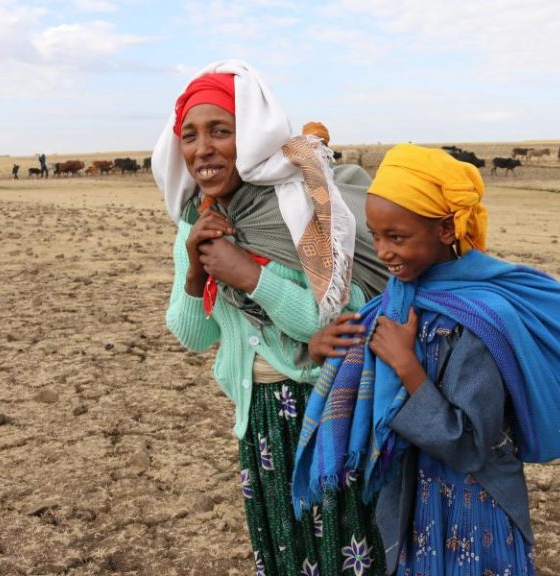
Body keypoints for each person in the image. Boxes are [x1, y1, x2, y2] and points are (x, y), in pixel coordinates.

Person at [298, 144, 560, 575]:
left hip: (474, 506)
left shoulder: (479, 319)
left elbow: (470, 442)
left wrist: (407, 366)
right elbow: (359, 375)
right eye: (376, 235)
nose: (383, 251)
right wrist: (320, 351)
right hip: (416, 500)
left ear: (445, 230)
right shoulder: (396, 302)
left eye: (397, 237)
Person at [152, 59, 388, 576]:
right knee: (284, 547)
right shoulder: (195, 219)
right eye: (189, 135)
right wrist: (196, 270)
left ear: (252, 135)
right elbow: (193, 335)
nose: (202, 148)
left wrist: (249, 276)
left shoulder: (297, 205)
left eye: (221, 131)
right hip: (258, 414)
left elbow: (334, 321)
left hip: (325, 399)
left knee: (345, 549)